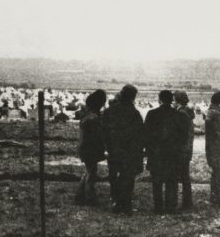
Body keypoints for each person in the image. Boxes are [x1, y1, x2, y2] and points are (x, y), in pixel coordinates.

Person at [144, 90, 192, 214]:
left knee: (157, 183)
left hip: (156, 153)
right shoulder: (179, 116)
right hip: (173, 154)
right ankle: (171, 207)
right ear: (172, 100)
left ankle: (158, 207)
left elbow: (146, 135)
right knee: (172, 181)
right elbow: (184, 136)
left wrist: (149, 150)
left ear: (159, 99)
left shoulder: (152, 114)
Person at [103, 84, 145, 214]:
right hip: (130, 152)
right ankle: (125, 203)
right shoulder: (135, 113)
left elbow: (104, 131)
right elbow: (140, 134)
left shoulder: (109, 111)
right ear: (133, 97)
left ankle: (116, 201)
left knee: (114, 175)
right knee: (128, 177)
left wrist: (107, 146)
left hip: (114, 149)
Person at [74, 89, 108, 206]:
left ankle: (80, 196)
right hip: (90, 148)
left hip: (85, 147)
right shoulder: (94, 118)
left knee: (89, 171)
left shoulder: (87, 115)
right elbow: (97, 135)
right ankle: (89, 197)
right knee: (91, 173)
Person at [173, 91, 196, 210]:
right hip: (187, 150)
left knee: (179, 177)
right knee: (185, 177)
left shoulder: (181, 114)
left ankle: (183, 203)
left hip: (181, 150)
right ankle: (187, 202)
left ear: (177, 101)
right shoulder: (188, 112)